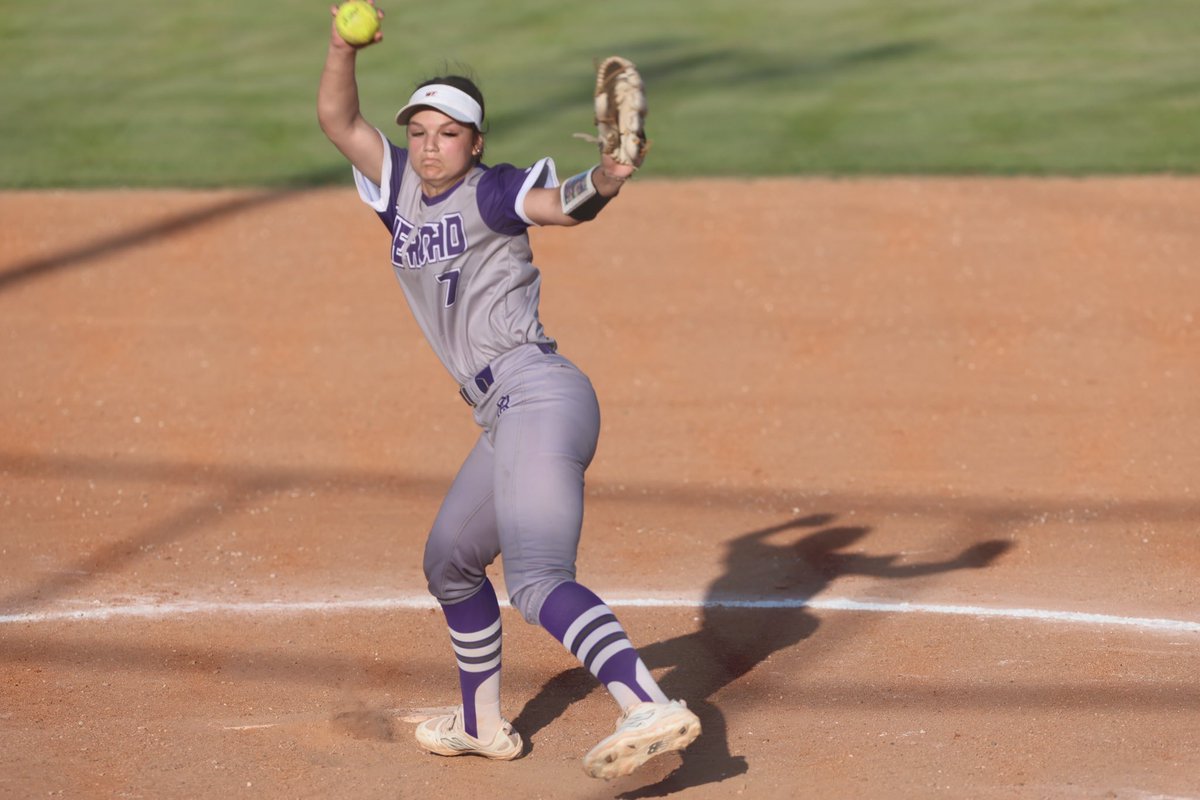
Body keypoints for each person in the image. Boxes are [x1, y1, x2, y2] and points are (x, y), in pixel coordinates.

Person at [316, 2, 700, 780]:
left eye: (447, 133)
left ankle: (647, 702)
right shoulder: (395, 190)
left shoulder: (493, 191)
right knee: (451, 566)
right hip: (502, 416)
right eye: (419, 132)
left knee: (536, 576)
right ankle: (481, 723)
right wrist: (339, 46)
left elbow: (560, 206)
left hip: (540, 395)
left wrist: (610, 177)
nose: (428, 146)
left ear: (476, 142)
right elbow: (337, 116)